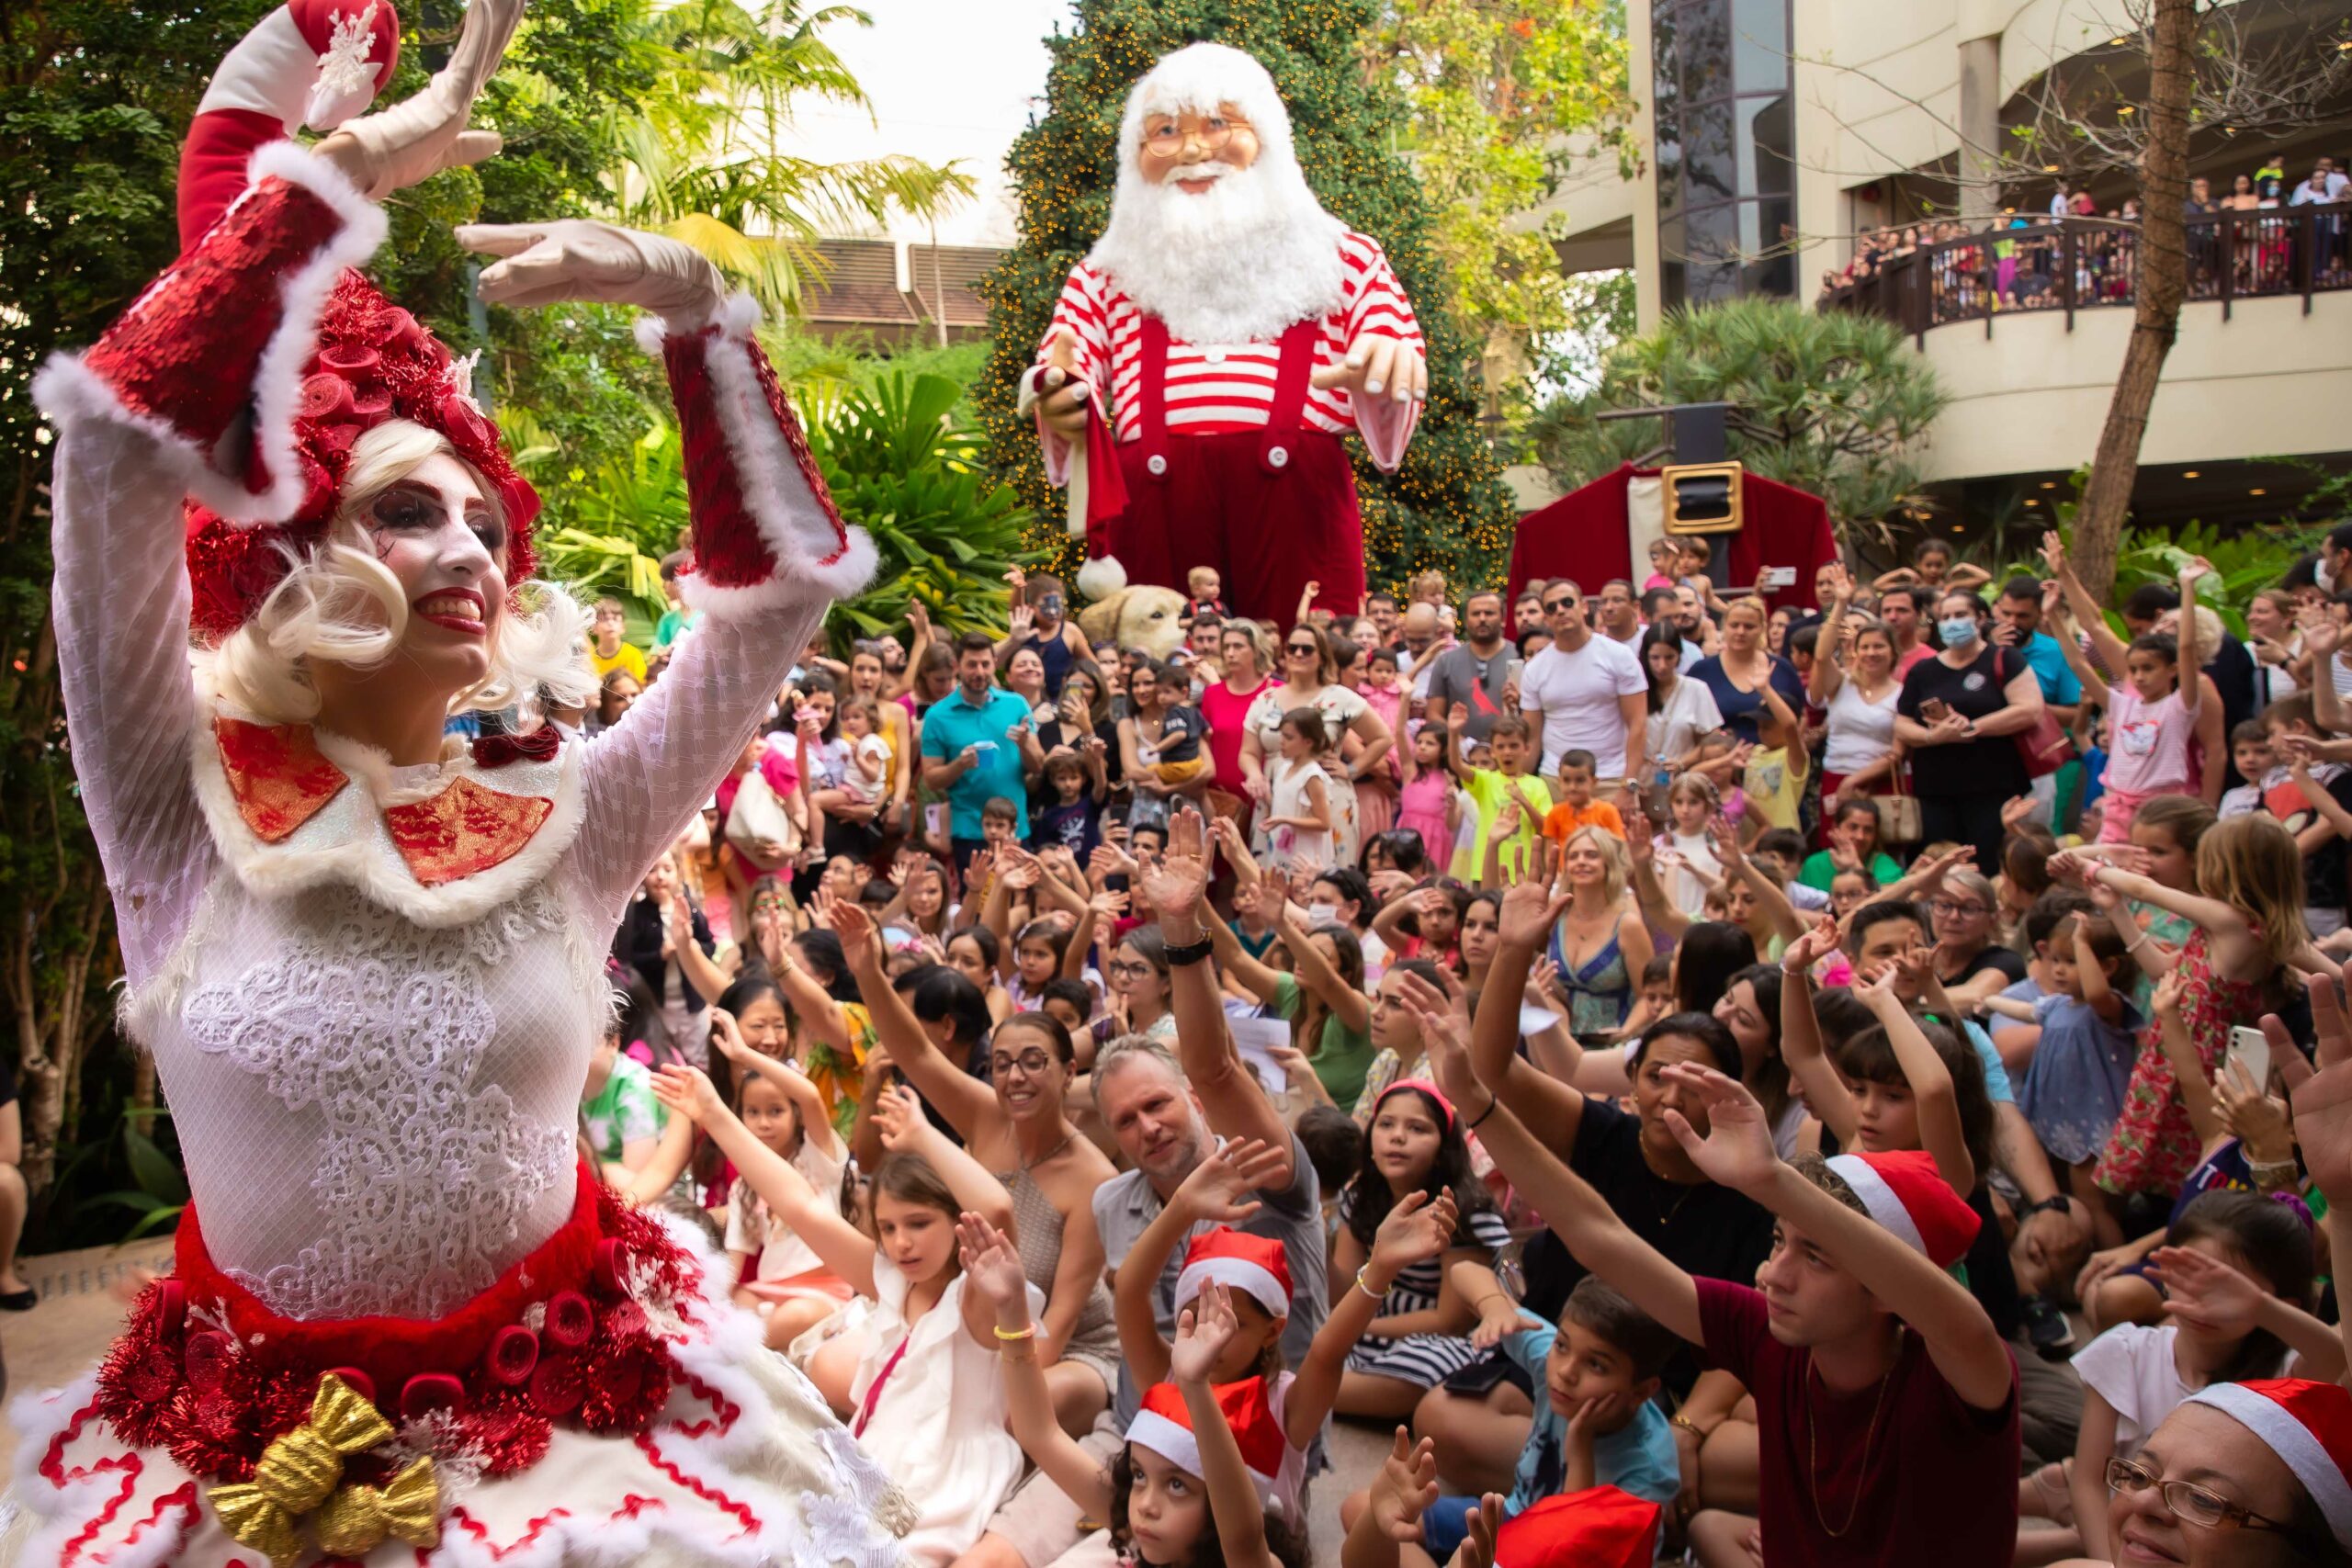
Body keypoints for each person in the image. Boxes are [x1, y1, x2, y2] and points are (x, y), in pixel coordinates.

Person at [16, 4, 907, 1554]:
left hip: (587, 1449)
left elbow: (775, 599)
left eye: (489, 522)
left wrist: (704, 316)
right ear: (292, 552)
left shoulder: (573, 817)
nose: (473, 552)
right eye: (413, 513)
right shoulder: (175, 799)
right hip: (233, 1471)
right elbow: (106, 460)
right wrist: (316, 191)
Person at [660, 1071, 1029, 1566]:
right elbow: (801, 1201)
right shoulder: (893, 1281)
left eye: (920, 1224)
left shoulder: (977, 1300)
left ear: (958, 1220)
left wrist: (923, 1136)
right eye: (889, 1227)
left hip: (944, 1477)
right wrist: (714, 1114)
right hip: (873, 1451)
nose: (902, 1242)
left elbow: (999, 1208)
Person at [1895, 588, 2044, 874]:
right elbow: (1901, 723)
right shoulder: (1923, 670)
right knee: (1939, 866)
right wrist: (1932, 736)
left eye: (1960, 615)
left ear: (1980, 618)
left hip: (1992, 788)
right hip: (1935, 791)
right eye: (1945, 616)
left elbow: (2029, 709)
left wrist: (1973, 728)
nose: (1952, 622)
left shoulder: (2004, 659)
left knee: (1989, 864)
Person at [1242, 626, 1390, 867]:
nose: (1298, 654)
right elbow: (1248, 752)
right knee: (1273, 880)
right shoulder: (1266, 700)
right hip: (1275, 798)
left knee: (1329, 879)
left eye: (1307, 649)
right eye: (1292, 648)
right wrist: (1255, 775)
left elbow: (1383, 738)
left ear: (1322, 656)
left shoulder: (1341, 697)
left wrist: (1352, 770)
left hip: (1327, 797)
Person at [925, 630, 1046, 872]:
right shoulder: (938, 716)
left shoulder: (1016, 704)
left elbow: (1038, 765)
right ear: (956, 666)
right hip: (970, 830)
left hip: (1015, 829)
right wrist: (959, 764)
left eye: (985, 664)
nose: (979, 672)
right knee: (978, 904)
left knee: (1020, 903)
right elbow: (931, 780)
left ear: (994, 664)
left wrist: (1024, 745)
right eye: (972, 665)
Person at [1520, 581, 1647, 785]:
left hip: (1610, 777)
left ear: (1584, 606)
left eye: (1567, 603)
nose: (1560, 611)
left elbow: (1638, 724)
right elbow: (1532, 738)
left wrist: (1629, 783)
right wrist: (1522, 787)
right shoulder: (1535, 668)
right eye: (1552, 608)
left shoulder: (1619, 655)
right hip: (1555, 778)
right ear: (1546, 619)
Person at [1688, 597, 1809, 752]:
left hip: (1776, 762)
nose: (1740, 632)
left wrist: (1794, 753)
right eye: (1734, 625)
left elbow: (1801, 717)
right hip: (1721, 766)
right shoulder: (1701, 671)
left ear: (1762, 629)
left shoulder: (1782, 668)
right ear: (1724, 627)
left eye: (1749, 626)